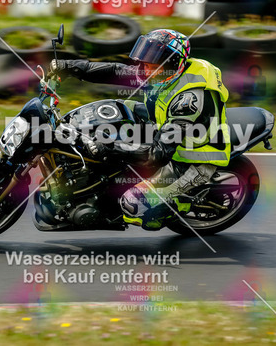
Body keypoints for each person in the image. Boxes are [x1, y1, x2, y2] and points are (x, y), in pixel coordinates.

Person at [50, 29, 230, 230]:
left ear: (171, 65)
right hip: (165, 124)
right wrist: (70, 67)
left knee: (131, 203)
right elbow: (115, 71)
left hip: (190, 159)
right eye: (144, 62)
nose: (144, 70)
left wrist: (110, 147)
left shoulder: (188, 102)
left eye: (151, 64)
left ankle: (173, 208)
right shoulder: (162, 74)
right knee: (116, 110)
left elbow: (157, 155)